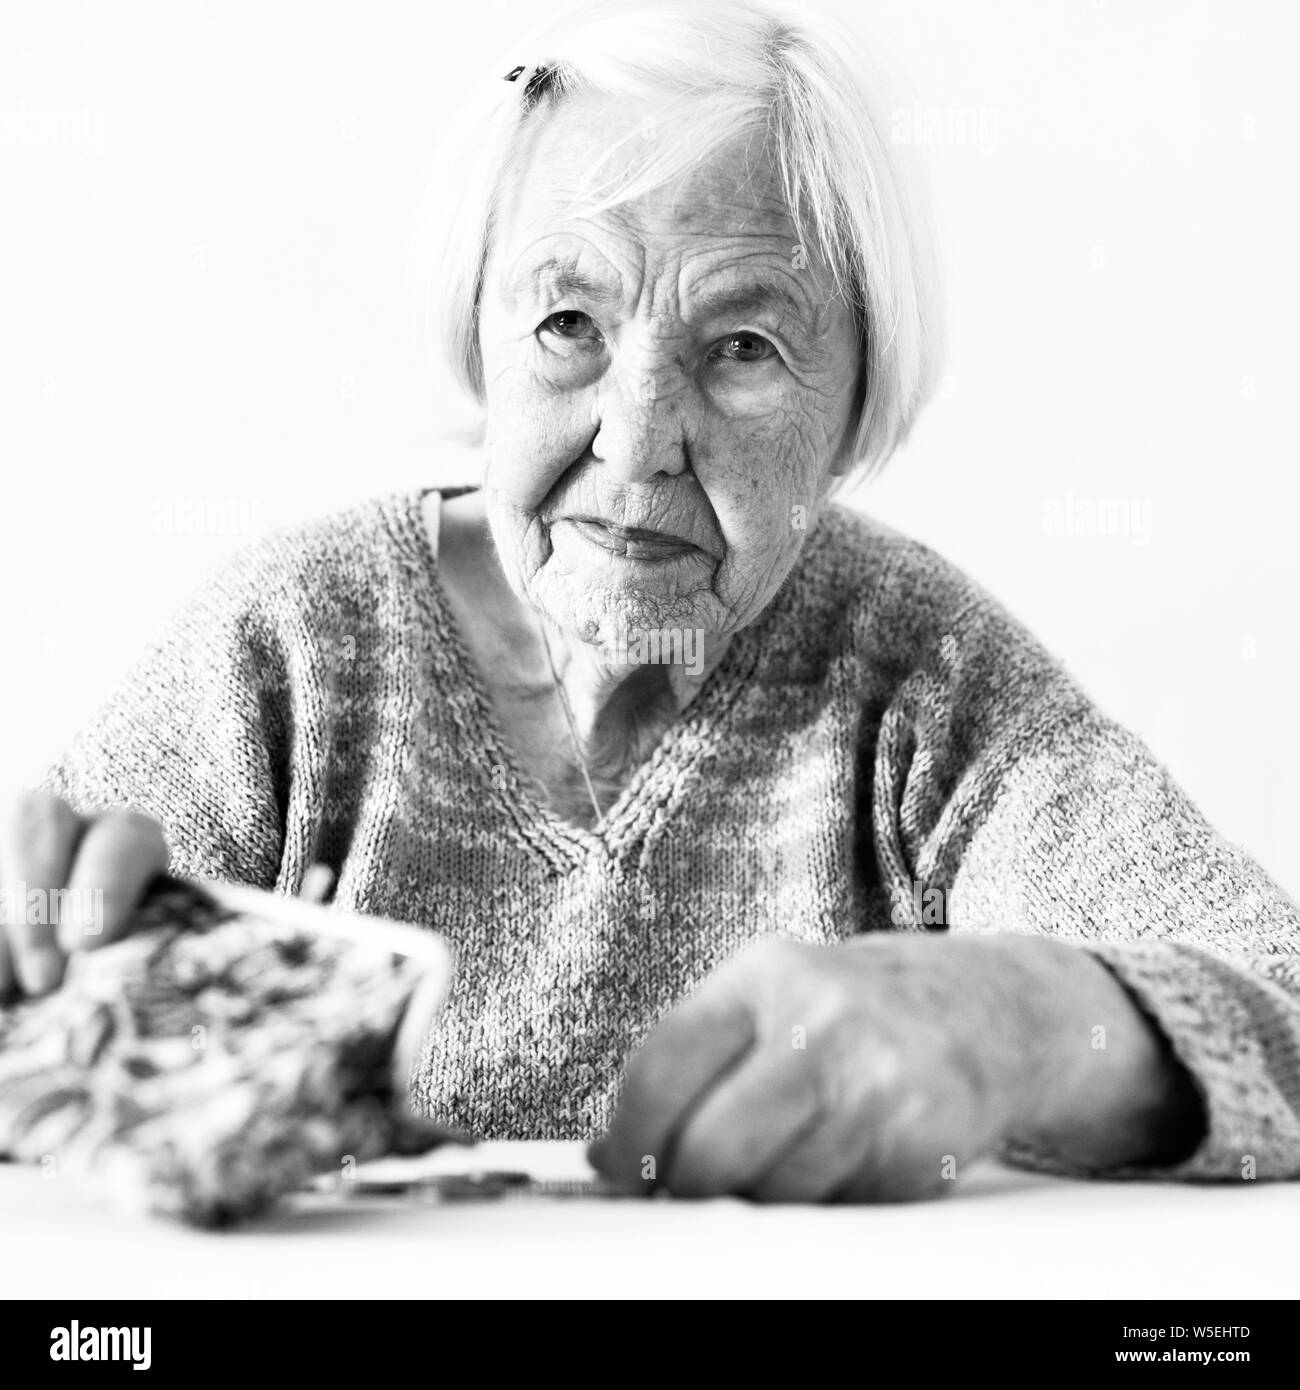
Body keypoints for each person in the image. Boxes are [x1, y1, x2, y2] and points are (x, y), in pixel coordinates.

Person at [2, 0, 1296, 1202]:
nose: (636, 442)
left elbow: (1278, 997)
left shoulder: (921, 681)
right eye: (569, 320)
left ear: (857, 409)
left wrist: (1024, 1020)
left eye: (744, 346)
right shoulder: (289, 650)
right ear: (480, 340)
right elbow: (37, 1019)